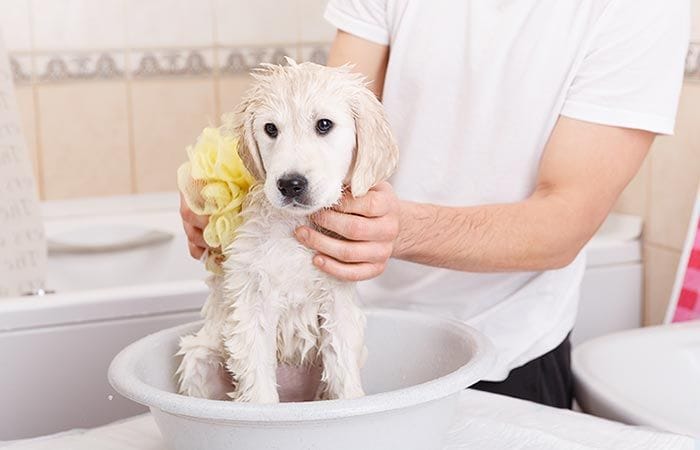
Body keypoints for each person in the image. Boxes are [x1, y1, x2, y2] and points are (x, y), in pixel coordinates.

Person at [181, 0, 690, 408]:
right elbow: (330, 117)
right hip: (345, 323)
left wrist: (401, 231)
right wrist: (228, 196)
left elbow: (566, 221)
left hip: (501, 351)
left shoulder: (640, 9)